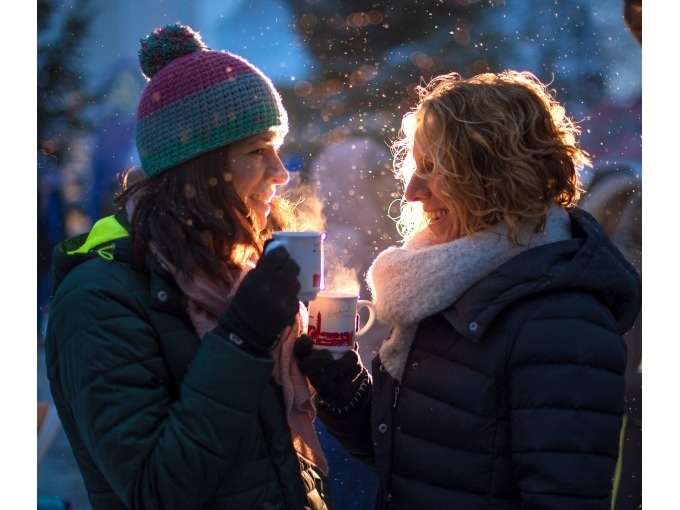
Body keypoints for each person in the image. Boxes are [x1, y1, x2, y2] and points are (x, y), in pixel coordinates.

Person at [294, 70, 642, 509]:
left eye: (432, 169)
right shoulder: (445, 286)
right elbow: (415, 462)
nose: (412, 191)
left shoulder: (562, 321)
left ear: (492, 175)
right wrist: (340, 382)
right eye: (412, 169)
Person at [45, 23, 330, 509]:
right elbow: (156, 490)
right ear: (201, 165)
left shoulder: (232, 274)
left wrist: (338, 384)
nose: (281, 173)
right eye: (258, 151)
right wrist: (242, 339)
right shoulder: (98, 298)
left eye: (279, 148)